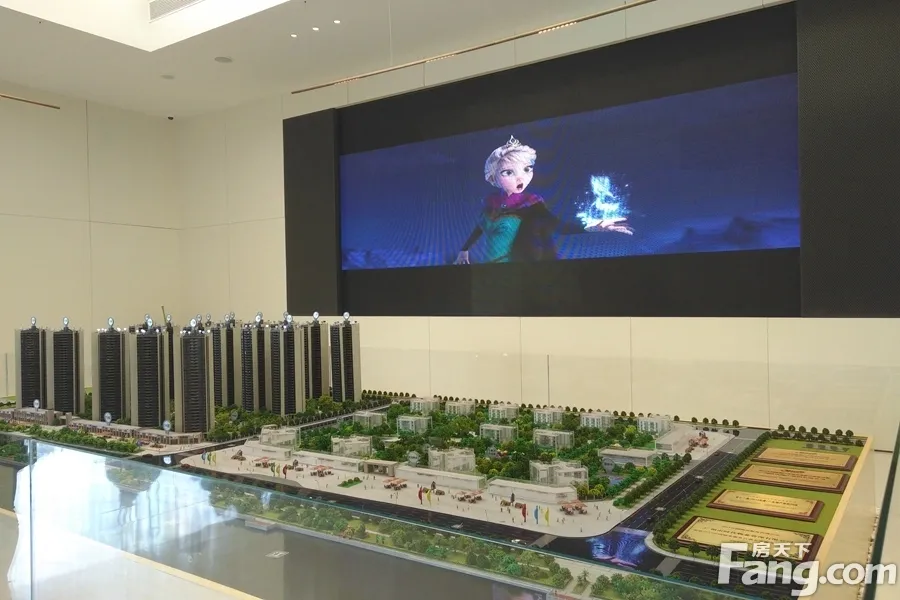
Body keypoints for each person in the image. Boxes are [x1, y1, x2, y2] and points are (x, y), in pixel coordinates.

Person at [455, 136, 632, 265]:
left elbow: (559, 227)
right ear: (494, 177)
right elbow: (480, 226)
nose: (520, 178)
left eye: (527, 169)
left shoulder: (532, 204)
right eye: (508, 172)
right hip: (489, 269)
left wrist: (591, 227)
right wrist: (464, 249)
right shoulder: (491, 202)